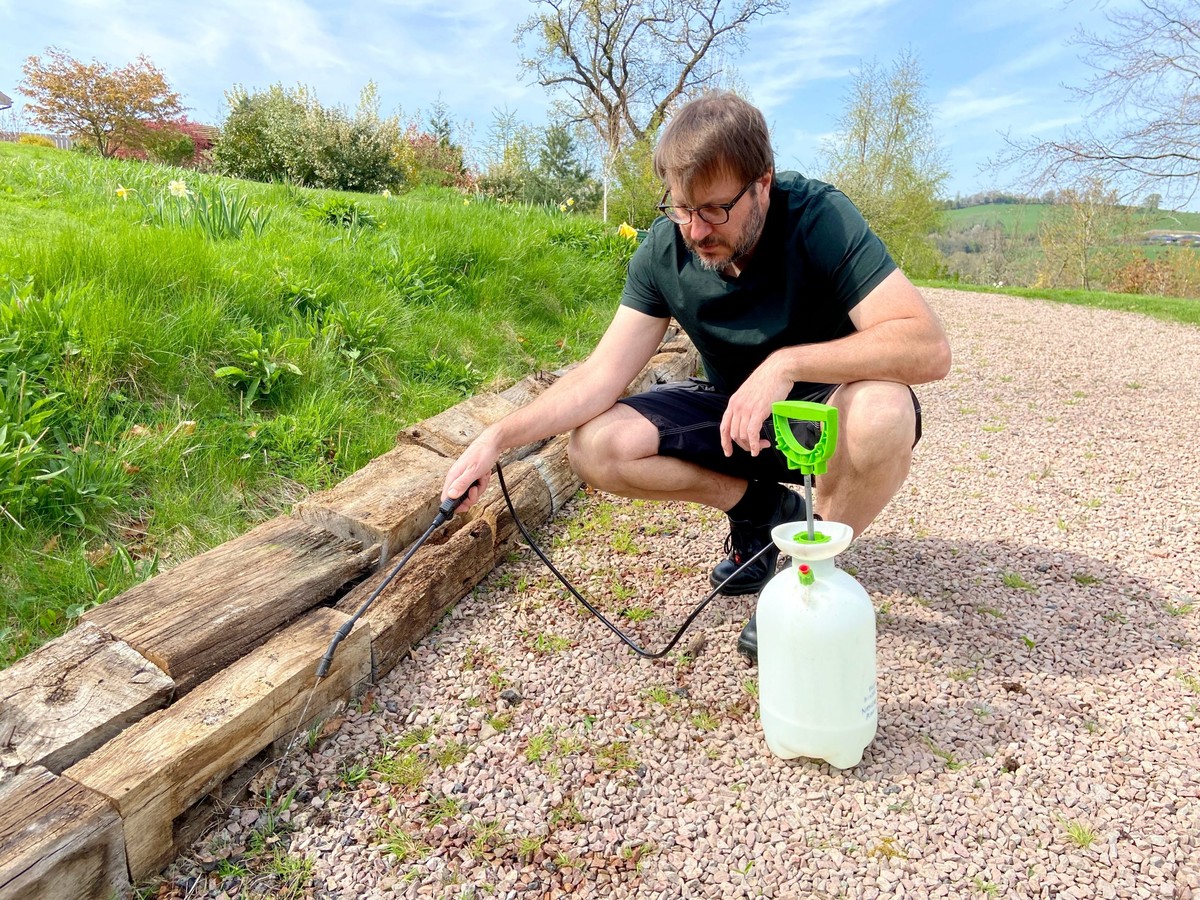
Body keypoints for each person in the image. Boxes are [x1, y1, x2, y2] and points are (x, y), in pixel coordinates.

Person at [442, 91, 951, 662]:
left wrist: (787, 364)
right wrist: (496, 440)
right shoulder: (664, 251)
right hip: (736, 421)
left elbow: (928, 348)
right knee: (596, 446)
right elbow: (599, 377)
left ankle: (800, 580)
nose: (695, 230)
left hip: (824, 423)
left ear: (763, 182)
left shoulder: (819, 217)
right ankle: (761, 508)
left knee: (884, 414)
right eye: (681, 209)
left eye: (713, 208)